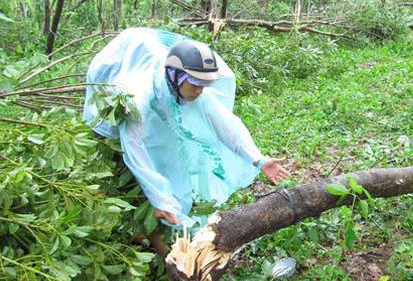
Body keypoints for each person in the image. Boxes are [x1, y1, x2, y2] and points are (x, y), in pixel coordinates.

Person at [83, 28, 290, 229]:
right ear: (176, 77)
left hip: (150, 62)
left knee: (170, 152)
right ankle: (137, 227)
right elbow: (135, 147)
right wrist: (160, 198)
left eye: (204, 84)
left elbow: (224, 124)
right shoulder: (139, 98)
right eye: (195, 84)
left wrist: (258, 159)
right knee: (125, 165)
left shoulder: (193, 89)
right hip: (116, 81)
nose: (200, 90)